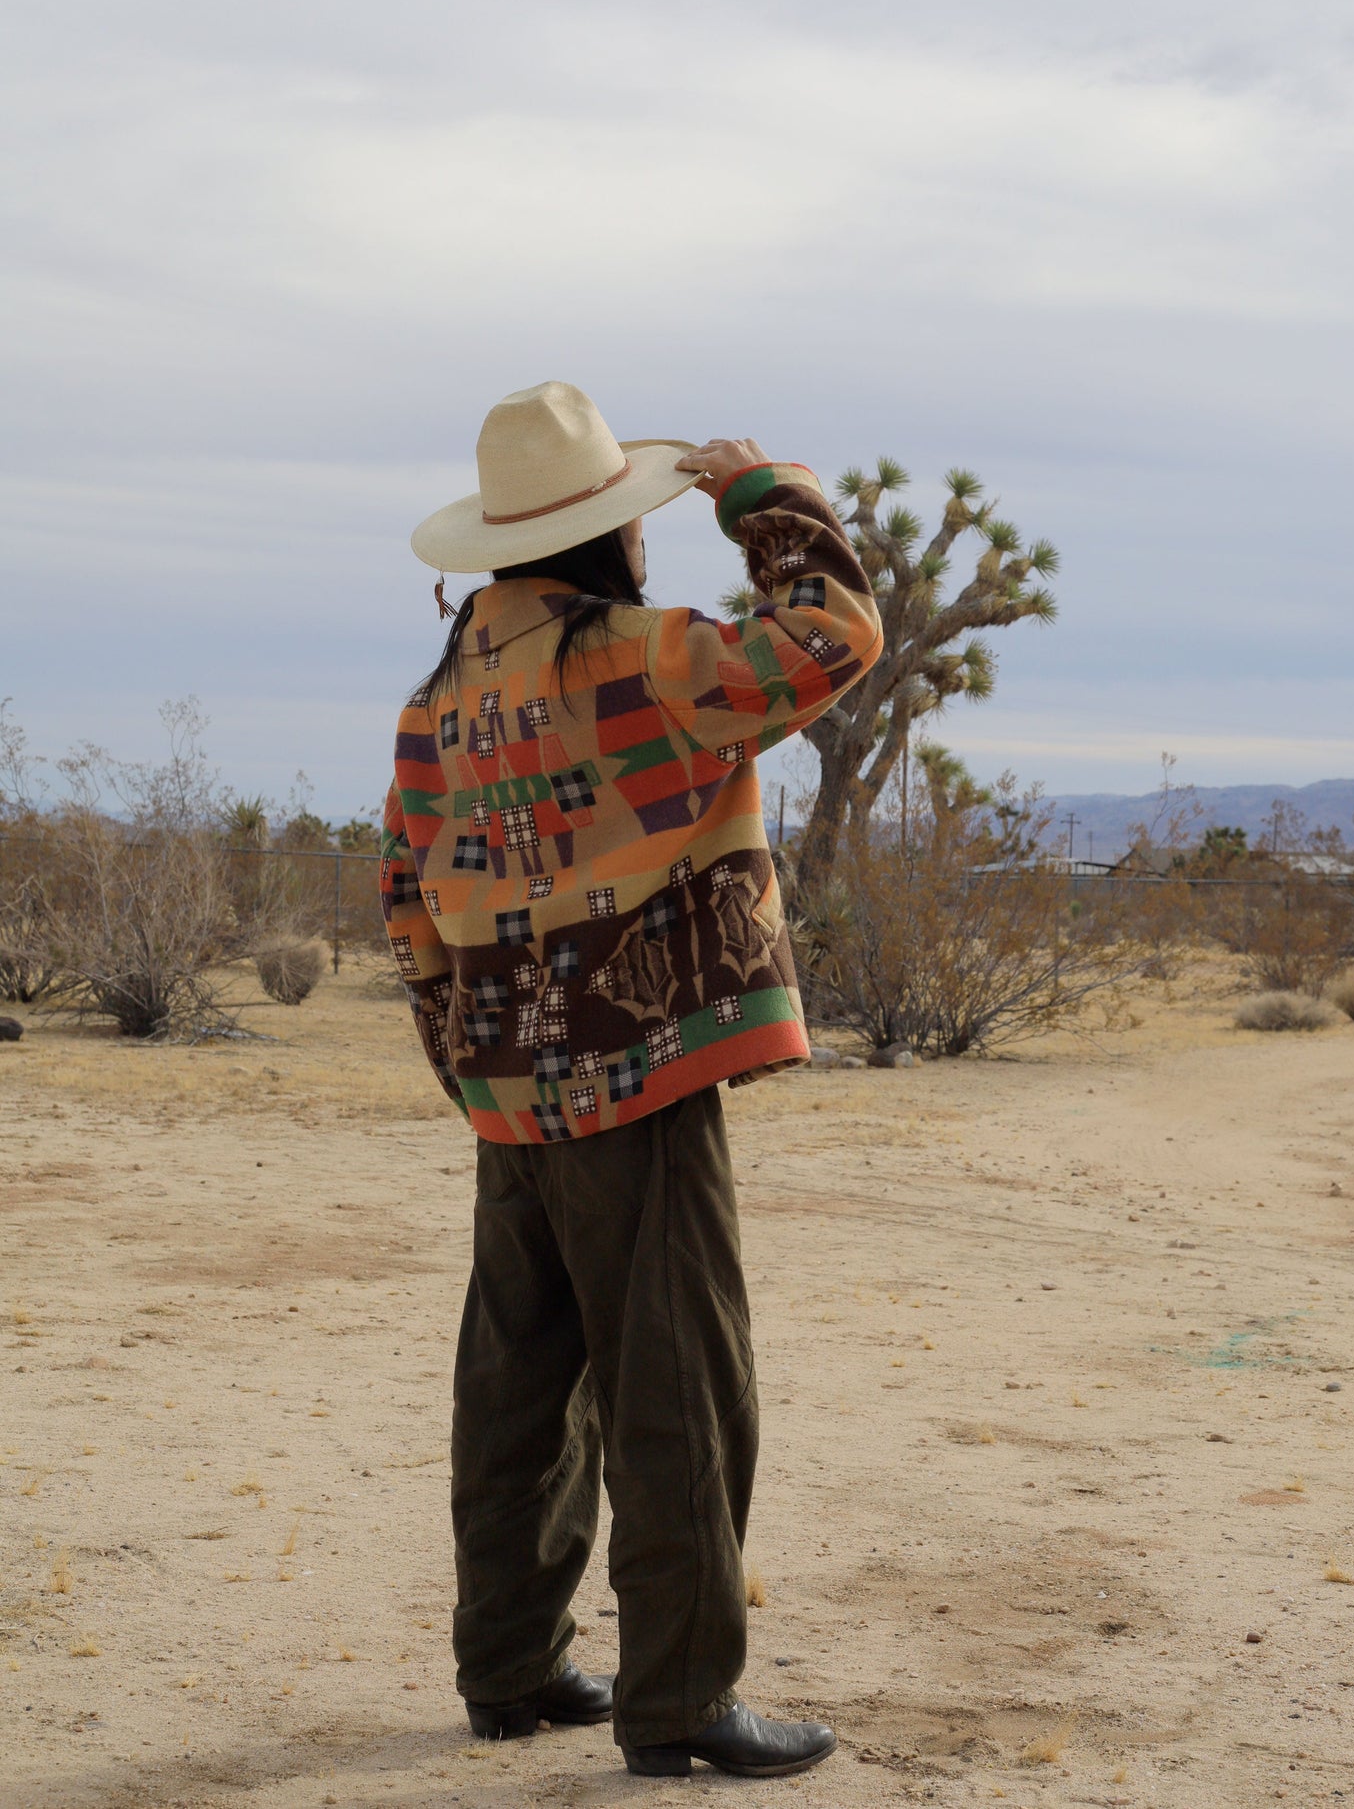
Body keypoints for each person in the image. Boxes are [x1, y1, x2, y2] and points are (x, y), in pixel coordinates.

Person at [381, 380, 882, 1779]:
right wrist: (761, 499)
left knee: (520, 1379)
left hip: (508, 1079)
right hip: (642, 1069)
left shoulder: (442, 695)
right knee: (679, 1384)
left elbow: (404, 894)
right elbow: (833, 636)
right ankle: (675, 1703)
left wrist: (477, 1062)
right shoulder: (647, 658)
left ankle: (513, 1666)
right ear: (616, 534)